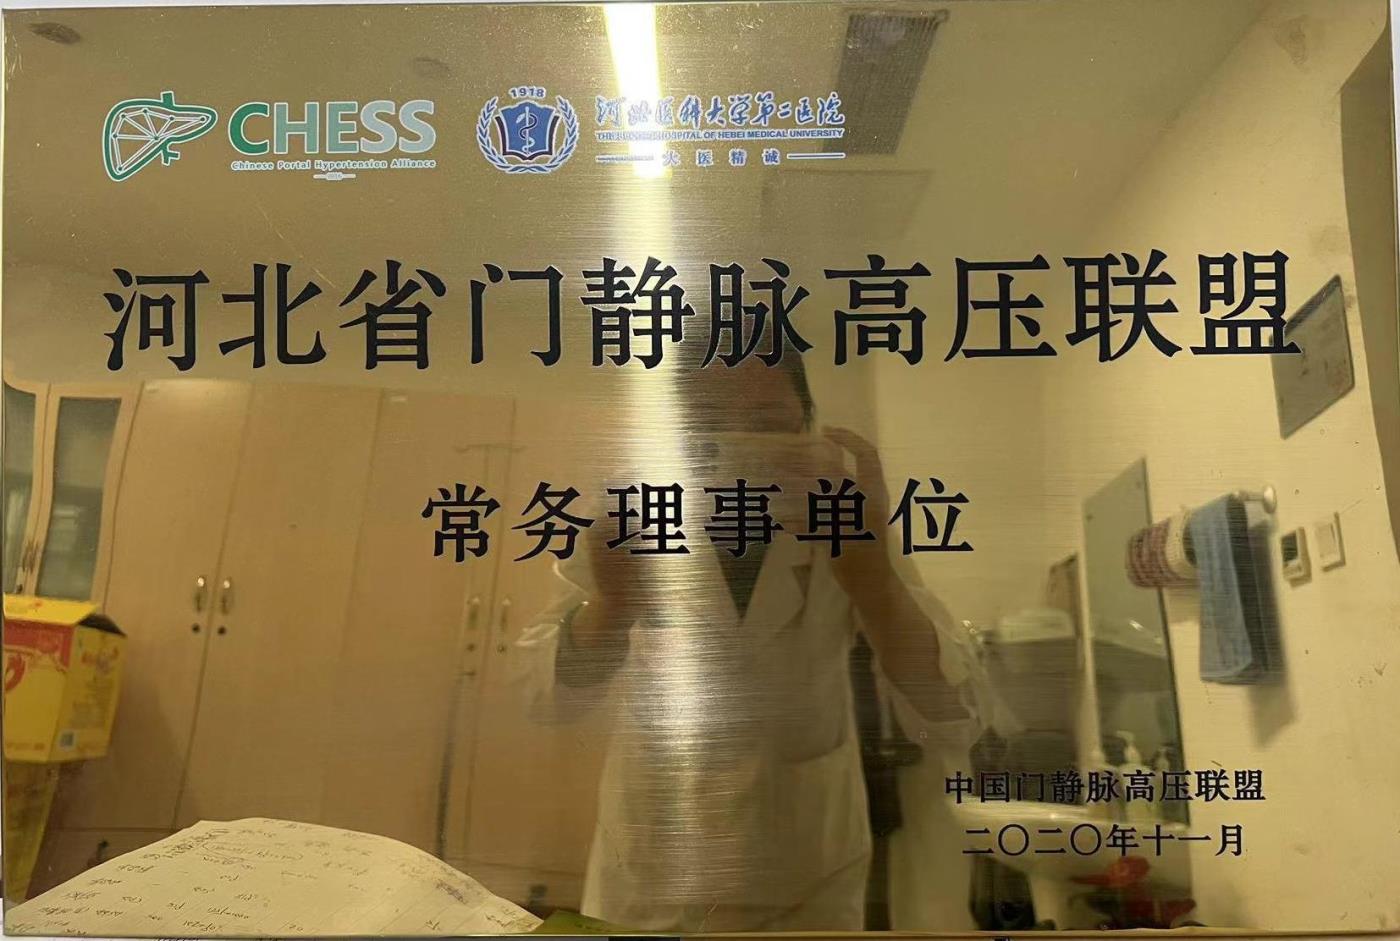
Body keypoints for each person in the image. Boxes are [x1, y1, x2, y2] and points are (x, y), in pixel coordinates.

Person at [512, 353, 981, 932]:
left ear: (808, 428)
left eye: (767, 426)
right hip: (653, 865)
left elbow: (949, 714)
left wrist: (872, 578)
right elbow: (545, 700)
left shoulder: (849, 520)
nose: (740, 446)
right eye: (710, 424)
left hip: (808, 873)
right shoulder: (630, 516)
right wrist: (613, 604)